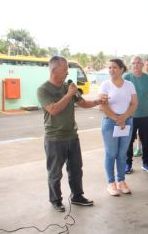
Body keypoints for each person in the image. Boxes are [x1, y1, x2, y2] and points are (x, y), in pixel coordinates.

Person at [37, 56, 106, 212]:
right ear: (54, 70)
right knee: (55, 173)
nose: (67, 73)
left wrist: (97, 101)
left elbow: (83, 103)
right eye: (64, 70)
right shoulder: (43, 90)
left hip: (72, 136)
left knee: (76, 169)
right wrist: (68, 95)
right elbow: (53, 110)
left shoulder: (68, 86)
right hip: (54, 138)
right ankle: (56, 200)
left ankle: (77, 196)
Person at [99, 59, 138, 196]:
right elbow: (102, 105)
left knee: (122, 154)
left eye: (114, 67)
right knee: (111, 154)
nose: (111, 70)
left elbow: (134, 104)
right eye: (109, 67)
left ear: (122, 69)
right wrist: (117, 118)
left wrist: (124, 117)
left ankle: (121, 181)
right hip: (110, 123)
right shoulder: (105, 85)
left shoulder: (129, 85)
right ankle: (111, 183)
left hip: (127, 122)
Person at [123, 56, 148, 174]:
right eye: (133, 63)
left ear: (142, 65)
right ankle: (128, 164)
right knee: (129, 141)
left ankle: (146, 163)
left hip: (145, 114)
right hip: (130, 115)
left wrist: (144, 102)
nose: (136, 65)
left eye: (138, 63)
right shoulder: (126, 77)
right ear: (131, 65)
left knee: (145, 140)